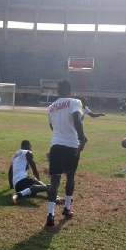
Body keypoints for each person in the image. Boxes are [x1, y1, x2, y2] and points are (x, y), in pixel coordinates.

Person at [45, 80, 87, 227]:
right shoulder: (75, 101)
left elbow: (52, 126)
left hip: (55, 145)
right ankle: (67, 209)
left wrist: (60, 134)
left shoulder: (50, 107)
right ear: (70, 90)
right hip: (71, 145)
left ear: (58, 91)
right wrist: (81, 139)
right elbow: (77, 119)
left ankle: (50, 214)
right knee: (70, 176)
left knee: (54, 181)